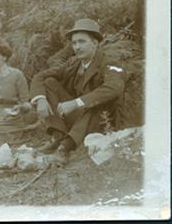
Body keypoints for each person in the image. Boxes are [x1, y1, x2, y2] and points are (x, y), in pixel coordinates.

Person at [30, 18, 127, 164]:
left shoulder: (109, 62)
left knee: (95, 103)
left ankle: (65, 148)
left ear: (95, 43)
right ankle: (58, 136)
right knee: (50, 83)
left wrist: (77, 103)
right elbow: (41, 76)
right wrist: (40, 99)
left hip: (100, 119)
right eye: (74, 43)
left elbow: (114, 88)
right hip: (79, 118)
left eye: (82, 42)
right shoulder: (74, 63)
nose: (77, 47)